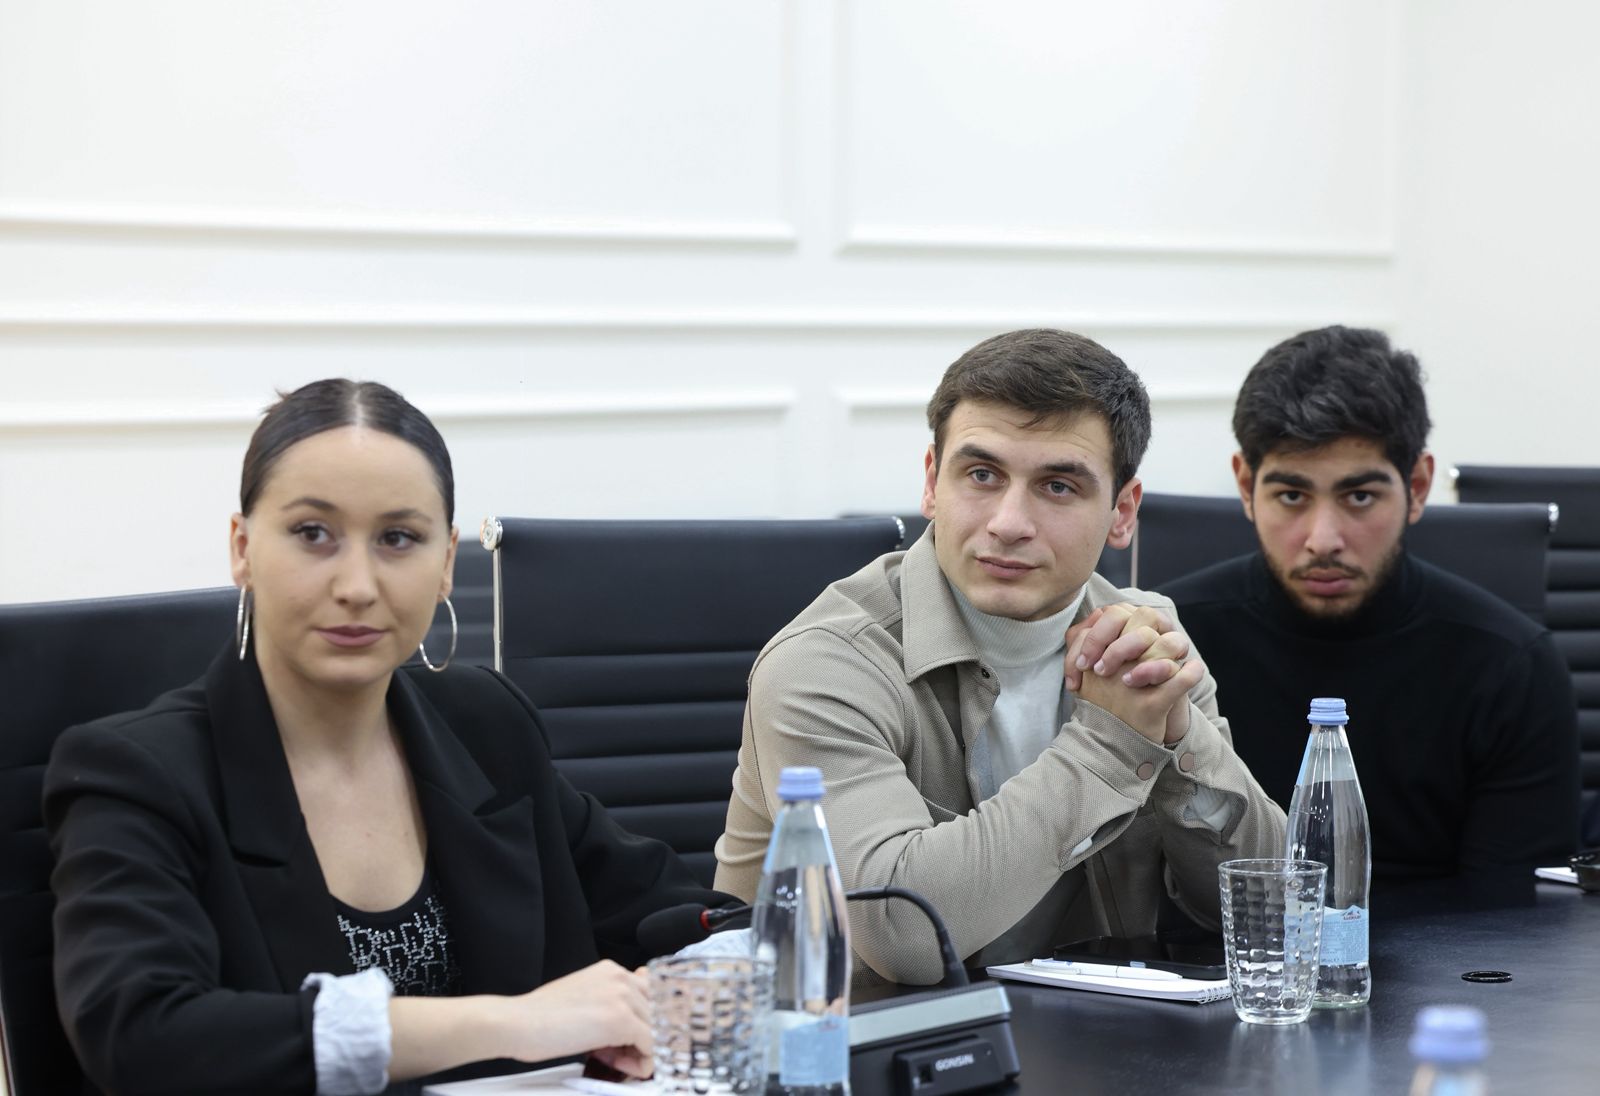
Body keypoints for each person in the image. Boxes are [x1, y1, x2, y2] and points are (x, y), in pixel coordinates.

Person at [45, 380, 723, 1095]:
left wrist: (678, 1001)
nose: (358, 585)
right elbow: (142, 1034)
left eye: (398, 538)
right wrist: (512, 1023)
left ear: (447, 564)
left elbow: (677, 914)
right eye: (313, 534)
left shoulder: (484, 725)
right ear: (242, 548)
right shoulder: (135, 773)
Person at [713, 329, 1286, 985]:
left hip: (1091, 1031)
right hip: (853, 1039)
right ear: (933, 482)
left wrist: (1182, 738)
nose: (1009, 523)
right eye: (982, 475)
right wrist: (1112, 742)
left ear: (1123, 512)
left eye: (1058, 486)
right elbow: (904, 937)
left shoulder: (1142, 638)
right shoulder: (823, 663)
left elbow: (1274, 910)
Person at [1160, 325, 1581, 881]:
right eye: (1292, 495)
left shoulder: (1511, 666)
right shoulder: (1174, 648)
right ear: (1245, 486)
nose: (1323, 540)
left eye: (1359, 496)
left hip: (1450, 941)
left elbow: (1518, 915)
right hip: (1226, 938)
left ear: (1418, 486)